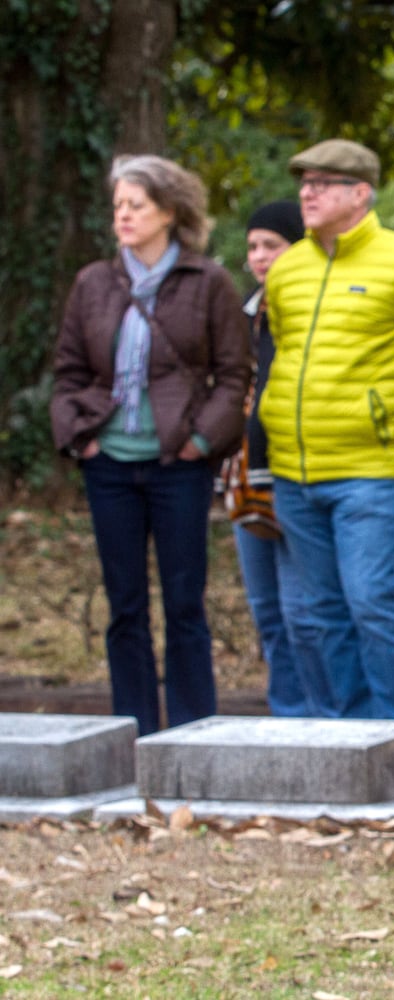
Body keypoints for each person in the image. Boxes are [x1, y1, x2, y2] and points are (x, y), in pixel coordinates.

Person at [50, 154, 250, 736]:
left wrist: (198, 440)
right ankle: (131, 731)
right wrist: (81, 439)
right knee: (125, 606)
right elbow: (67, 371)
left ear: (169, 210)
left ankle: (192, 733)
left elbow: (232, 376)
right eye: (118, 206)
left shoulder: (208, 281)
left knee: (185, 604)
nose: (123, 216)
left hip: (176, 466)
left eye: (135, 204)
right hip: (108, 463)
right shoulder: (93, 282)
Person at [261, 139, 394, 720]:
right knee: (321, 612)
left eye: (322, 182)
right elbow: (280, 353)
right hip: (294, 470)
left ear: (360, 193)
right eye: (304, 182)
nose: (307, 192)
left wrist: (390, 420)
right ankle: (346, 737)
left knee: (372, 604)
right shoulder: (288, 268)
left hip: (372, 470)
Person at [227, 199, 317, 716]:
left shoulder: (307, 314)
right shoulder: (242, 314)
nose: (260, 257)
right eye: (253, 247)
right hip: (246, 480)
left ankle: (319, 716)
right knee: (267, 611)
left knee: (303, 610)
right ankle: (288, 713)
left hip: (299, 475)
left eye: (272, 246)